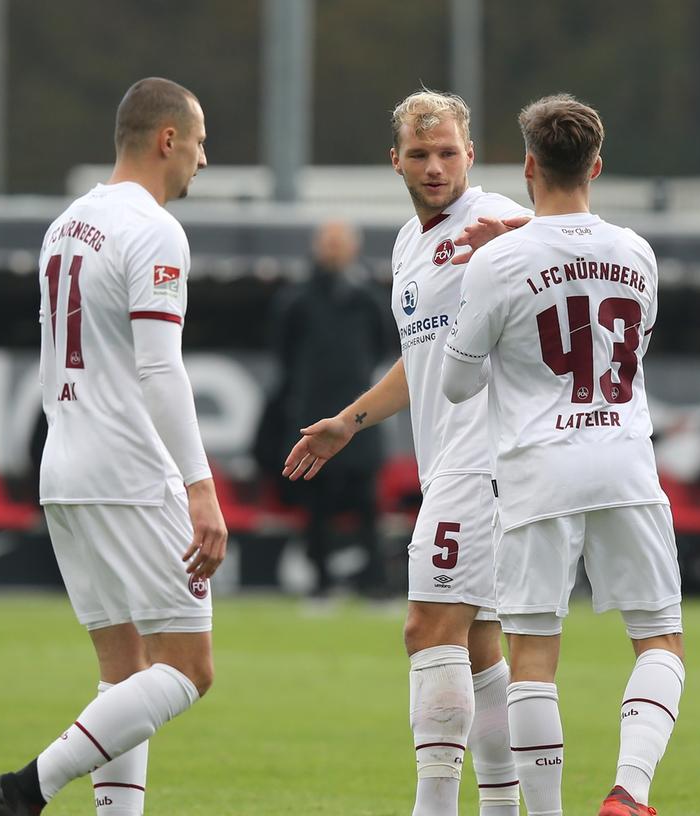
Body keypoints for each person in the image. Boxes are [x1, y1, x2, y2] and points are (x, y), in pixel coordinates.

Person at [0, 76, 226, 816]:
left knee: (126, 676)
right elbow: (157, 367)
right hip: (129, 469)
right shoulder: (154, 228)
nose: (203, 162)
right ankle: (28, 788)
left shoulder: (66, 223)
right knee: (189, 669)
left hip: (67, 467)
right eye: (201, 143)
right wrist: (200, 486)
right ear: (167, 139)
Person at [282, 89, 528, 816]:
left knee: (425, 628)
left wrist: (524, 235)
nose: (434, 166)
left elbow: (570, 242)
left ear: (470, 156)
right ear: (395, 160)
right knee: (479, 644)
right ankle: (503, 805)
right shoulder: (405, 243)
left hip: (484, 461)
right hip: (450, 459)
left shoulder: (500, 222)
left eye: (447, 152)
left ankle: (433, 806)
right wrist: (349, 421)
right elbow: (419, 360)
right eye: (419, 154)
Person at [441, 94, 682, 816]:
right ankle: (628, 791)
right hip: (623, 461)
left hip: (536, 467)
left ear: (527, 167)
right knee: (659, 642)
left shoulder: (499, 260)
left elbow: (456, 383)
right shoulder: (636, 252)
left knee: (534, 657)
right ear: (596, 166)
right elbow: (630, 350)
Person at [268, 220, 394, 598]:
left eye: (341, 243)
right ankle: (320, 583)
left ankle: (375, 584)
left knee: (368, 503)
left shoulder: (368, 297)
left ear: (354, 248)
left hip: (360, 417)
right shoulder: (298, 298)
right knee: (317, 504)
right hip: (313, 412)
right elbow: (282, 350)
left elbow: (385, 344)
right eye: (329, 243)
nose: (334, 250)